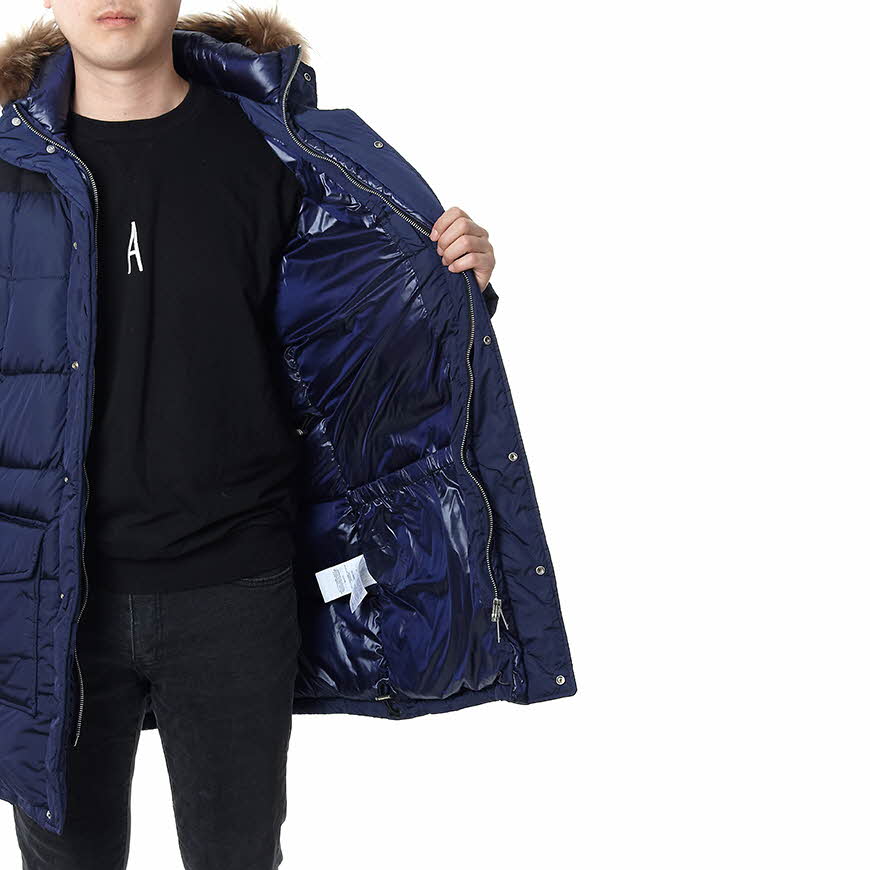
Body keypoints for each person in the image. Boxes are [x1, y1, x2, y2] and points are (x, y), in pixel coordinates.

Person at [0, 1, 576, 868]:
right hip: (51, 596)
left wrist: (450, 284)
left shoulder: (273, 147)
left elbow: (365, 338)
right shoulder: (9, 170)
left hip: (233, 589)